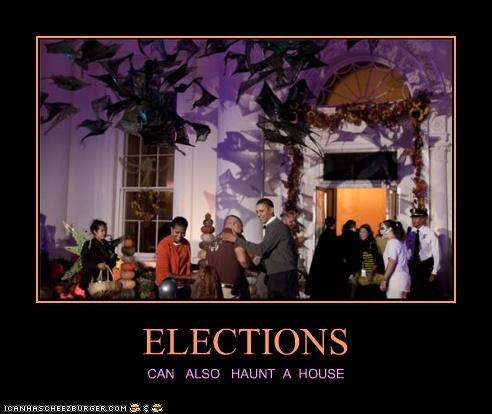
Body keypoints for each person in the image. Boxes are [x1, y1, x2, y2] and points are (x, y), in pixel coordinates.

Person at [221, 198, 298, 299]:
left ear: (271, 210)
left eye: (261, 211)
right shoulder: (272, 226)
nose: (258, 215)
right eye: (257, 212)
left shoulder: (276, 226)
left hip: (282, 277)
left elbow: (261, 249)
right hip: (279, 275)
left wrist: (236, 240)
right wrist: (256, 267)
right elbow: (271, 254)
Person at [206, 215, 252, 299]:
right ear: (235, 224)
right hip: (230, 291)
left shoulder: (213, 241)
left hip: (213, 289)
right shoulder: (236, 237)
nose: (242, 230)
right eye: (241, 227)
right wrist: (251, 266)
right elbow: (243, 260)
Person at [406, 207, 441, 299]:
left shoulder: (430, 233)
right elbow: (406, 251)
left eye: (416, 217)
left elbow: (437, 253)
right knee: (412, 293)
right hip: (412, 266)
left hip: (425, 267)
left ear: (423, 219)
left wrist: (434, 272)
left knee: (424, 293)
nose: (413, 220)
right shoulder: (410, 232)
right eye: (412, 217)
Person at [306, 216, 344, 299]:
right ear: (334, 225)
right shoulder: (333, 237)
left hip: (321, 271)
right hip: (331, 272)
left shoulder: (323, 236)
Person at [155, 216, 191, 298]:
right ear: (171, 229)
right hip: (165, 288)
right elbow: (165, 274)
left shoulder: (186, 244)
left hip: (181, 287)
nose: (180, 235)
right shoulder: (163, 245)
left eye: (183, 233)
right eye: (177, 232)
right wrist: (190, 276)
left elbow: (187, 265)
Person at [80, 219, 118, 295]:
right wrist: (97, 265)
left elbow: (112, 263)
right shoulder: (88, 245)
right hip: (92, 281)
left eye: (105, 230)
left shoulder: (108, 245)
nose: (104, 233)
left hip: (106, 281)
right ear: (95, 231)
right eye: (102, 231)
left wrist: (112, 259)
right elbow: (84, 263)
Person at [379, 220, 411, 299]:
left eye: (382, 228)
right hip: (403, 279)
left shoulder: (392, 242)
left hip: (396, 279)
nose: (380, 231)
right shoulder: (399, 242)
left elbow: (392, 262)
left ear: (390, 229)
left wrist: (384, 279)